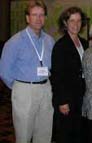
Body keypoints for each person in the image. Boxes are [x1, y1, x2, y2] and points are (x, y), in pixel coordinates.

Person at [0, 1, 54, 143]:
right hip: (24, 90)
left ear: (45, 18)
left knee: (44, 133)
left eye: (41, 15)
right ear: (27, 18)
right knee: (23, 135)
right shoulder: (14, 42)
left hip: (46, 88)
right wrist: (20, 87)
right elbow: (4, 72)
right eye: (34, 15)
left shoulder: (49, 41)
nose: (38, 18)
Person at [50, 7, 88, 143]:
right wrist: (62, 101)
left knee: (79, 133)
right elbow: (56, 76)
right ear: (65, 23)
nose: (75, 24)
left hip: (81, 97)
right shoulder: (60, 46)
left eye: (78, 20)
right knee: (66, 135)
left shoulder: (84, 43)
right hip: (67, 99)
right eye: (72, 20)